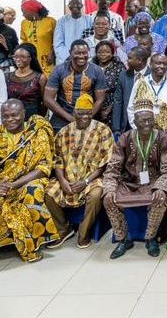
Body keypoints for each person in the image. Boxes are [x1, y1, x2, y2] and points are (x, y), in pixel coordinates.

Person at [0, 101, 60, 267]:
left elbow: (43, 167)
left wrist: (14, 185)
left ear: (23, 114)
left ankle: (30, 245)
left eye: (14, 115)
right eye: (5, 116)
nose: (10, 119)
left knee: (32, 193)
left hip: (28, 179)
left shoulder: (36, 132)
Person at [101, 99, 167, 258]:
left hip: (154, 181)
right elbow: (113, 167)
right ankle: (123, 239)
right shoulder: (125, 138)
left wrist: (161, 187)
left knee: (161, 197)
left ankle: (151, 238)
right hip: (129, 183)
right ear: (134, 122)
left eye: (150, 119)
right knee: (108, 198)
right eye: (143, 120)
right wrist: (108, 189)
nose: (147, 123)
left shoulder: (162, 138)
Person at [43, 94, 113, 249]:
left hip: (91, 179)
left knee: (96, 194)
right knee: (47, 192)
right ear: (74, 113)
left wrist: (85, 181)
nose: (84, 117)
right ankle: (63, 229)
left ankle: (84, 233)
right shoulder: (63, 132)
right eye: (81, 113)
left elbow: (105, 163)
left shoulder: (103, 130)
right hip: (67, 179)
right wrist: (62, 181)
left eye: (88, 113)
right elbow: (57, 160)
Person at [44, 40, 108, 130]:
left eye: (84, 53)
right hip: (62, 116)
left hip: (88, 115)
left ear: (88, 53)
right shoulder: (59, 70)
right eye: (77, 53)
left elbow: (100, 99)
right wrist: (70, 118)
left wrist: (86, 117)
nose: (81, 56)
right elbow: (48, 99)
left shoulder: (97, 71)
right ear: (70, 53)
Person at [111, 47, 151, 134]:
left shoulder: (152, 75)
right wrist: (116, 128)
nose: (127, 60)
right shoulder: (123, 75)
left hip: (147, 125)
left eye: (130, 58)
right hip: (126, 125)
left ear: (140, 60)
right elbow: (118, 101)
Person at [5, 44, 47, 118]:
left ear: (31, 58)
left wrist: (40, 118)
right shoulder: (7, 77)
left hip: (32, 119)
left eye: (22, 57)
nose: (17, 59)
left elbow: (45, 102)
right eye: (15, 56)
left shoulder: (40, 78)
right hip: (11, 119)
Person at [19, 0, 57, 76]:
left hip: (47, 60)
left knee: (49, 82)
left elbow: (57, 41)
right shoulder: (24, 23)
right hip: (31, 61)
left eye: (24, 11)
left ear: (32, 10)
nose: (23, 15)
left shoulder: (51, 21)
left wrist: (53, 53)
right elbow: (24, 41)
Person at [92, 41, 124, 124]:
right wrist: (98, 109)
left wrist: (109, 109)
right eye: (100, 52)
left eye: (107, 52)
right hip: (93, 105)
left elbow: (121, 90)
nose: (103, 54)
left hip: (114, 104)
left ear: (112, 53)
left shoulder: (119, 66)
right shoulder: (91, 67)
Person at [54, 0, 92, 66]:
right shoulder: (62, 21)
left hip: (84, 58)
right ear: (69, 6)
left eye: (78, 3)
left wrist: (81, 55)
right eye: (72, 4)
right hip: (65, 59)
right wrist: (69, 56)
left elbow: (91, 41)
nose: (75, 6)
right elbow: (58, 43)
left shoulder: (89, 20)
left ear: (82, 5)